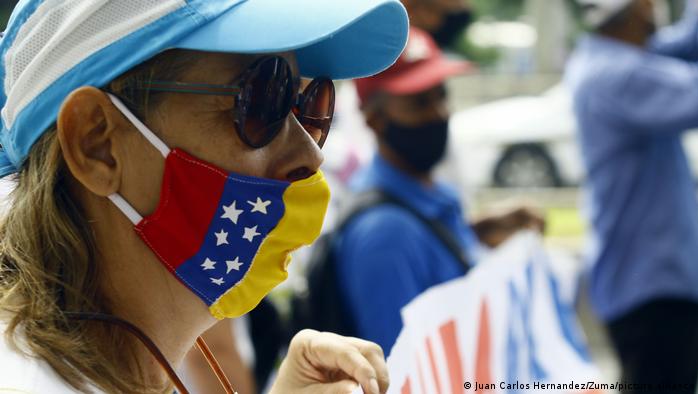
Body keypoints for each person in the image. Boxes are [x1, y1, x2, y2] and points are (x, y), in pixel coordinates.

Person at [0, 1, 409, 393]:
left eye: (308, 105)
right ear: (97, 145)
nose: (310, 154)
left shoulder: (121, 371)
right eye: (262, 100)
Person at [334, 28, 544, 354]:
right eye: (420, 103)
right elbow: (402, 372)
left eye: (441, 95)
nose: (439, 113)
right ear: (374, 119)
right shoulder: (386, 235)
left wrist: (475, 232)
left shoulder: (430, 195)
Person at [565, 0, 698, 391]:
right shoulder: (619, 75)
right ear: (640, 7)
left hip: (645, 281)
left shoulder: (608, 59)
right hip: (652, 287)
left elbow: (688, 43)